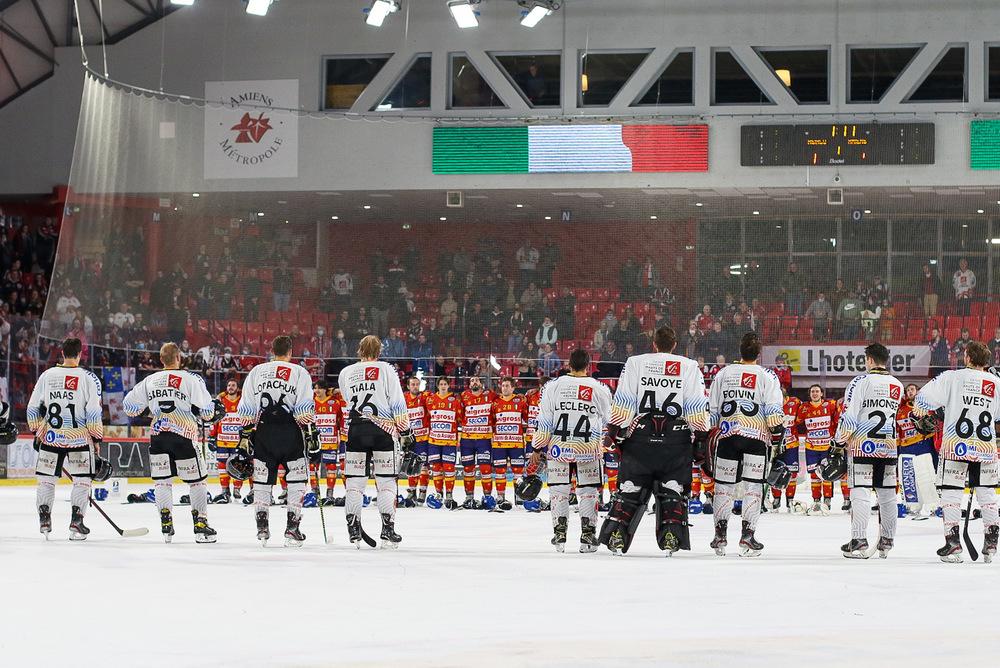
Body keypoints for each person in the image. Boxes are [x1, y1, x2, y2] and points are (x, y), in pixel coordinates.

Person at [599, 326, 710, 556]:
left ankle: (617, 533)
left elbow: (625, 401)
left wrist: (613, 431)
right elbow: (696, 406)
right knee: (673, 491)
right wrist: (700, 440)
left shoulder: (635, 363)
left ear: (654, 344)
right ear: (675, 345)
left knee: (629, 491)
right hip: (675, 439)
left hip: (639, 437)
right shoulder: (689, 366)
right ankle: (671, 536)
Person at [123, 342, 219, 544]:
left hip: (158, 437)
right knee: (197, 482)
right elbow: (208, 411)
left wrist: (152, 412)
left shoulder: (150, 380)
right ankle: (200, 525)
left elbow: (129, 406)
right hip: (184, 437)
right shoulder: (191, 379)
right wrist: (205, 413)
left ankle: (166, 523)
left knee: (162, 482)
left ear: (161, 360)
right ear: (179, 358)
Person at [914, 341, 999, 563]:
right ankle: (991, 544)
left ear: (968, 357)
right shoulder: (996, 382)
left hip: (954, 447)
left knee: (951, 496)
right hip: (985, 448)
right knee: (988, 497)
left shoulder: (952, 377)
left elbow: (922, 400)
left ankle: (953, 545)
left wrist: (925, 414)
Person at [708, 332, 783, 557]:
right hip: (756, 440)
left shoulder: (723, 374)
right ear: (759, 354)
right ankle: (747, 536)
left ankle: (720, 535)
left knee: (723, 487)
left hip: (728, 437)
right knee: (753, 488)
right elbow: (773, 414)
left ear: (739, 351)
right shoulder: (767, 376)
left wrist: (706, 438)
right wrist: (779, 439)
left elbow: (712, 412)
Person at [237, 335, 315, 547]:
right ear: (290, 352)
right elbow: (304, 409)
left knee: (262, 480)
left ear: (272, 351)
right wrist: (311, 436)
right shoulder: (300, 372)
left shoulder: (257, 372)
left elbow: (246, 408)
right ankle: (292, 528)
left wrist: (244, 437)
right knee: (297, 479)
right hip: (291, 431)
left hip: (264, 431)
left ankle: (262, 527)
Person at [530, 350, 612, 552]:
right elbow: (609, 420)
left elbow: (545, 421)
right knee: (588, 493)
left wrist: (537, 446)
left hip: (559, 449)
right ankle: (587, 537)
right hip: (589, 450)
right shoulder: (599, 388)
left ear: (568, 364)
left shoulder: (553, 386)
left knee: (559, 493)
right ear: (589, 365)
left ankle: (559, 535)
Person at [828, 343, 904, 559]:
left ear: (869, 360)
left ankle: (859, 540)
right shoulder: (897, 385)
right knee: (888, 496)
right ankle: (887, 541)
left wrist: (837, 443)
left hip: (862, 445)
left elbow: (850, 416)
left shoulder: (860, 382)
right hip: (888, 447)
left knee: (860, 493)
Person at [26, 337, 104, 540]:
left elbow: (33, 407)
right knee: (82, 481)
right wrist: (96, 439)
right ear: (80, 354)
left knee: (46, 481)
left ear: (62, 353)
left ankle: (44, 519)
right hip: (78, 439)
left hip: (51, 438)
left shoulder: (47, 375)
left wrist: (37, 432)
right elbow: (93, 412)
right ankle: (76, 522)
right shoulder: (88, 378)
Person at [337, 335, 412, 548]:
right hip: (383, 431)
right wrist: (406, 432)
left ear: (359, 350)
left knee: (354, 484)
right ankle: (388, 530)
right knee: (387, 483)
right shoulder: (387, 369)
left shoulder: (346, 372)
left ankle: (353, 529)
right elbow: (397, 402)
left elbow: (346, 398)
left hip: (356, 430)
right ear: (379, 351)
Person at [794, 384, 843, 513]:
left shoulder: (831, 405)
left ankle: (827, 500)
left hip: (827, 447)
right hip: (811, 447)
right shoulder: (804, 408)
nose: (814, 393)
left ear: (821, 393)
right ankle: (816, 501)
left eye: (817, 391)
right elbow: (797, 423)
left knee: (826, 474)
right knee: (815, 475)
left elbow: (838, 421)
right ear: (809, 394)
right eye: (812, 392)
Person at [490, 377, 529, 511]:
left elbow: (527, 418)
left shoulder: (520, 401)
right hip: (499, 444)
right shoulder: (495, 403)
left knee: (518, 472)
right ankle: (500, 496)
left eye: (507, 386)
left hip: (516, 443)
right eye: (503, 385)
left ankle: (519, 497)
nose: (505, 388)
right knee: (500, 471)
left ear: (513, 388)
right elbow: (492, 421)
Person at [424, 377, 461, 509]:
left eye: (445, 384)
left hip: (449, 441)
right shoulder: (430, 400)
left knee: (449, 469)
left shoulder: (455, 401)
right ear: (438, 386)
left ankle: (449, 495)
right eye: (441, 384)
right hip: (433, 441)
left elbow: (459, 419)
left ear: (448, 386)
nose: (443, 386)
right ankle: (439, 493)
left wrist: (459, 437)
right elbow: (427, 419)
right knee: (436, 469)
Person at [459, 376, 496, 509]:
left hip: (484, 439)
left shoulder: (491, 395)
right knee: (468, 469)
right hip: (467, 440)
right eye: (471, 381)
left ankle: (488, 498)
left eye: (476, 380)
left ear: (481, 383)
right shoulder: (463, 396)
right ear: (469, 385)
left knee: (485, 469)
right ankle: (469, 498)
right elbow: (459, 415)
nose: (474, 382)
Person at [210, 378, 245, 503]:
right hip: (222, 440)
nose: (230, 387)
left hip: (238, 441)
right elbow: (215, 419)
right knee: (222, 466)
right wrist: (211, 435)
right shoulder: (221, 401)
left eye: (233, 385)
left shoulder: (242, 400)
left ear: (237, 388)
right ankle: (225, 490)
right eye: (229, 385)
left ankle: (237, 489)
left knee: (238, 465)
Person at [770, 385, 802, 512]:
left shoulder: (795, 402)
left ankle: (790, 500)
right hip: (775, 445)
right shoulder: (771, 404)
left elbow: (808, 408)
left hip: (791, 445)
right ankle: (776, 499)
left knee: (792, 473)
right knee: (774, 472)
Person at [313, 379, 343, 505]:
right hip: (314, 443)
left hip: (330, 441)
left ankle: (329, 494)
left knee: (331, 467)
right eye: (315, 388)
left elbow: (341, 420)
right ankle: (315, 493)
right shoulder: (310, 402)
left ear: (326, 389)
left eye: (320, 388)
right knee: (312, 468)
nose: (317, 390)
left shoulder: (335, 403)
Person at [403, 376, 430, 506]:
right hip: (410, 440)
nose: (415, 387)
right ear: (408, 386)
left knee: (423, 466)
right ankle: (412, 491)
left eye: (417, 384)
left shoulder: (424, 397)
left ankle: (422, 492)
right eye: (413, 384)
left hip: (423, 439)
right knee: (410, 466)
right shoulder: (403, 399)